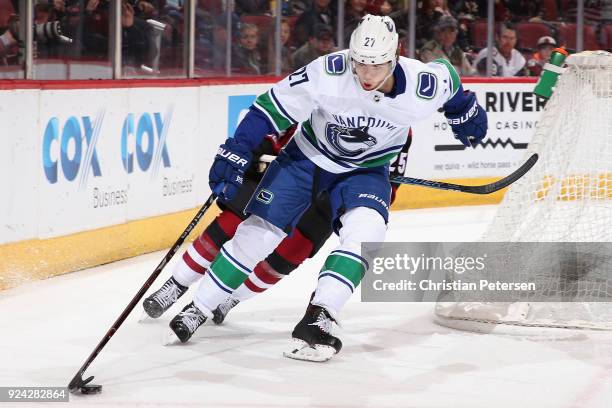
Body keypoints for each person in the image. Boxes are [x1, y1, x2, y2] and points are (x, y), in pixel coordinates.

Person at [167, 14, 488, 362]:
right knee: (257, 235)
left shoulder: (421, 83)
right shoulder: (328, 72)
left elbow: (450, 80)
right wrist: (239, 147)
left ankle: (320, 315)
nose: (365, 74)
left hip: (365, 171)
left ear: (395, 57)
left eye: (376, 65)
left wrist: (463, 108)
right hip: (305, 160)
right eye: (360, 64)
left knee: (368, 232)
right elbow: (269, 108)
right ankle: (199, 306)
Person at [142, 127, 412, 324]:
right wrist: (257, 150)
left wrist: (369, 204)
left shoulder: (402, 123)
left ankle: (230, 297)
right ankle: (176, 284)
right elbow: (282, 128)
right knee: (233, 223)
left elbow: (393, 177)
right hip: (293, 173)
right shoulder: (337, 91)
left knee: (290, 254)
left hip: (336, 193)